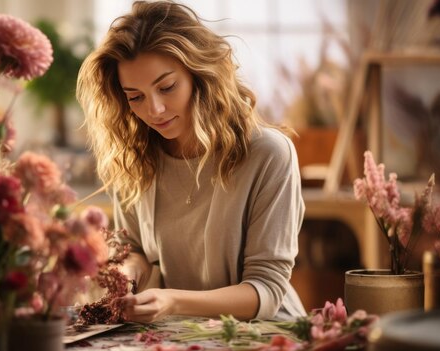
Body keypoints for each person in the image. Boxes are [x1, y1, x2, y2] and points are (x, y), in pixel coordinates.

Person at [76, 0, 306, 323]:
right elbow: (134, 250)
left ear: (200, 74)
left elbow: (265, 290)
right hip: (180, 334)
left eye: (167, 87)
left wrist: (172, 301)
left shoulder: (268, 154)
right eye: (135, 97)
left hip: (264, 333)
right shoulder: (135, 157)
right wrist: (126, 278)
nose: (154, 110)